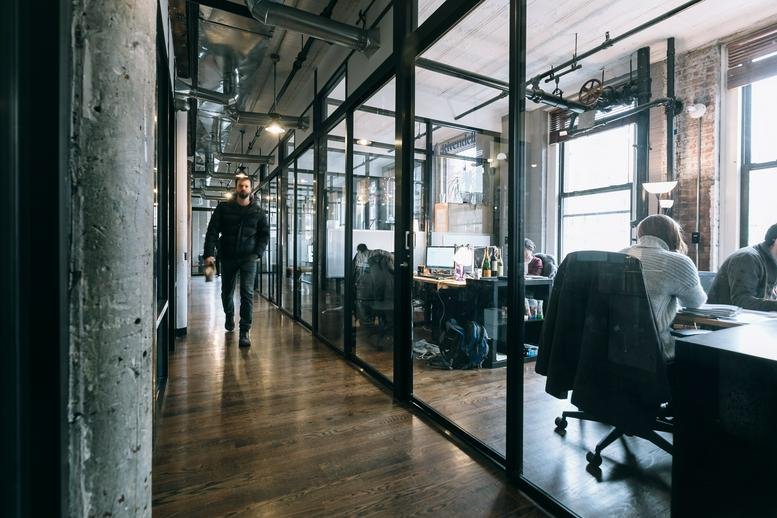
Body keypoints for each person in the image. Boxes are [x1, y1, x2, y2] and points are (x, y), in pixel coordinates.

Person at [621, 214, 706, 362]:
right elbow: (695, 302)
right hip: (654, 351)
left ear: (640, 233)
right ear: (673, 235)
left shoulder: (621, 254)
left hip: (616, 347)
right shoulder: (677, 261)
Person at [203, 175, 270, 347]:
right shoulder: (223, 209)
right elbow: (212, 231)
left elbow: (264, 235)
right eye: (241, 186)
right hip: (227, 256)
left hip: (249, 258)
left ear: (251, 189)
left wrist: (258, 253)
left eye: (247, 186)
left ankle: (245, 331)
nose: (243, 189)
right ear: (236, 188)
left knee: (247, 293)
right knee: (227, 292)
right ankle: (228, 315)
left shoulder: (258, 212)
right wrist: (209, 254)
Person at [707, 223, 777, 311]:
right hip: (724, 322)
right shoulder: (747, 258)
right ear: (774, 240)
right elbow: (742, 301)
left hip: (750, 320)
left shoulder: (771, 261)